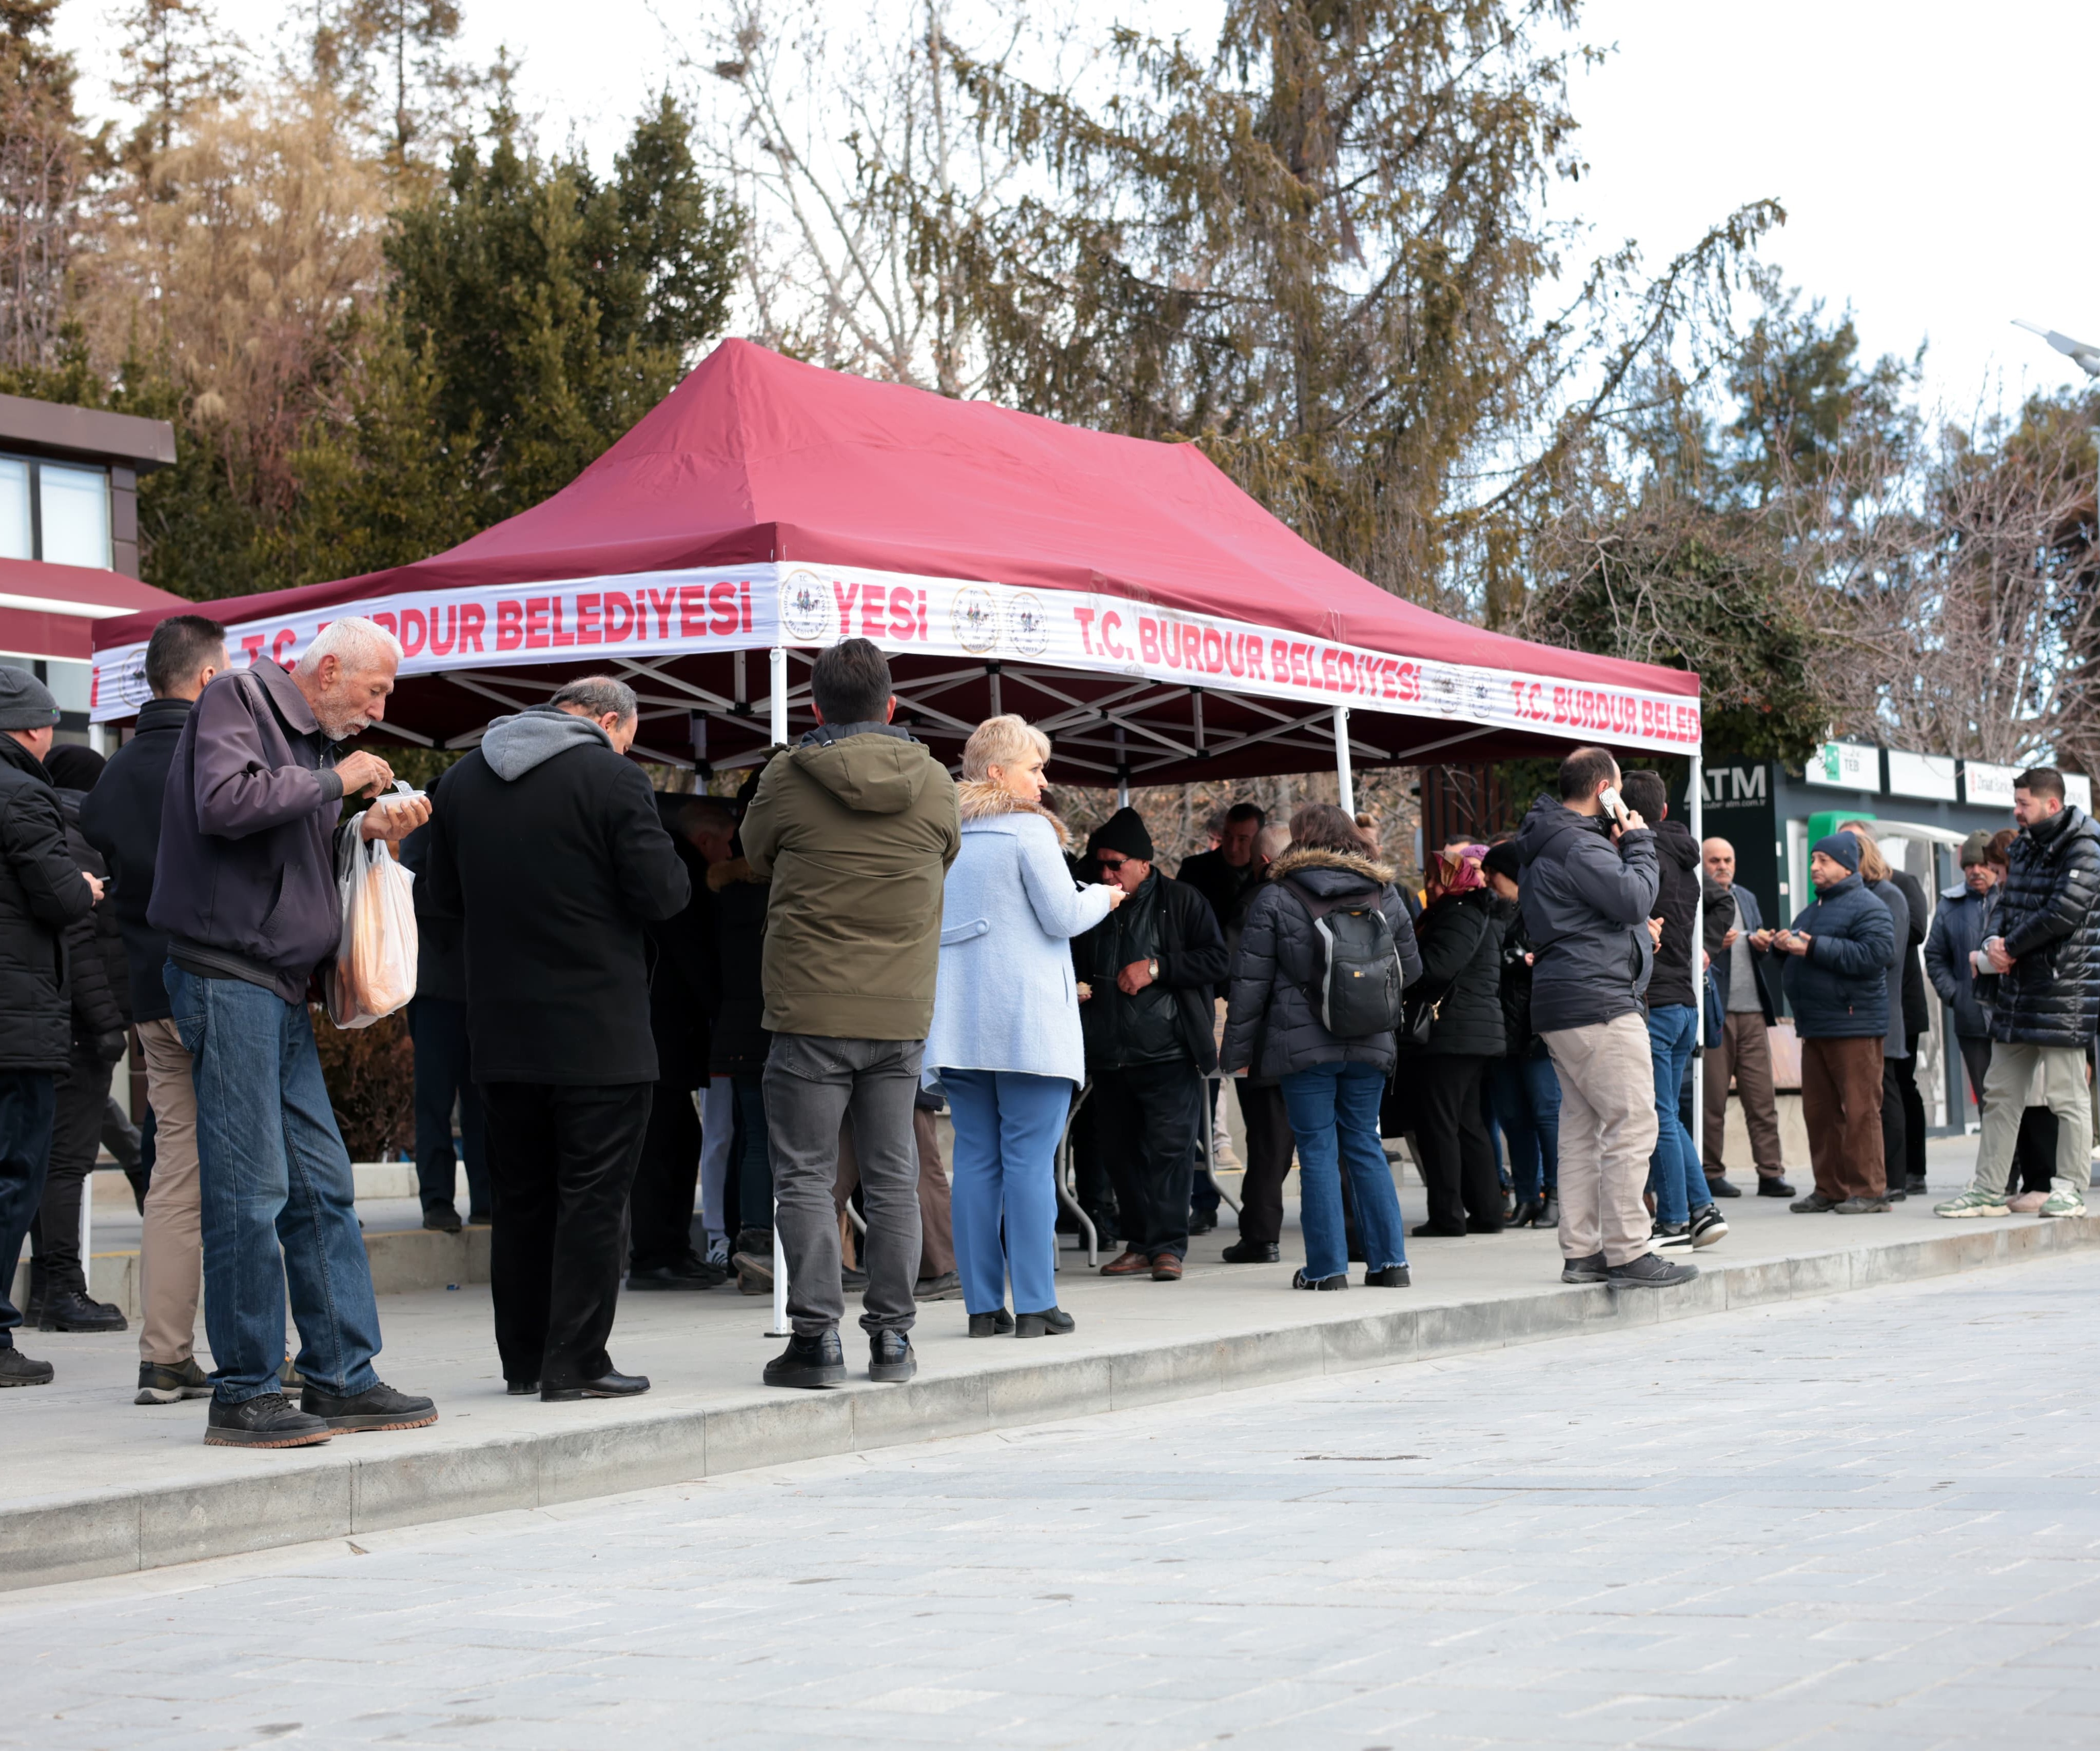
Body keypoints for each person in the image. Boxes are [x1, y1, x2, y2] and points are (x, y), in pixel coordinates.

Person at [152, 617, 436, 1446]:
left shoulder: (307, 738)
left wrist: (359, 828)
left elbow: (279, 839)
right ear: (329, 668)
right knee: (253, 1191)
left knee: (321, 1186)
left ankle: (341, 1375)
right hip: (227, 975)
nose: (379, 709)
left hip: (273, 986)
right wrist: (335, 784)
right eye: (375, 689)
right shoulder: (240, 696)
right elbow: (224, 802)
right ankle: (243, 1389)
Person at [426, 675, 689, 1399]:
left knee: (521, 1199)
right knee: (594, 1198)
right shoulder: (612, 777)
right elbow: (662, 893)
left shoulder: (462, 780)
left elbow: (440, 900)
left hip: (501, 1027)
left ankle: (523, 1358)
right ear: (610, 721)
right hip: (598, 1029)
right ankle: (576, 1359)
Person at [743, 638, 960, 1388]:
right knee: (893, 1176)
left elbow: (754, 851)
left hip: (808, 1004)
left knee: (804, 1178)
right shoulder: (935, 781)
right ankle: (893, 1343)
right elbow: (946, 855)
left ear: (814, 707)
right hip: (899, 1009)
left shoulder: (784, 776)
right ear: (892, 706)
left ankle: (816, 1342)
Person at [924, 715, 1120, 1336]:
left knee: (977, 1163)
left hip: (959, 1020)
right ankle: (1036, 1301)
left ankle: (984, 1307)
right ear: (996, 772)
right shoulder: (1028, 831)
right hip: (1027, 1023)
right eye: (1034, 766)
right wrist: (1104, 897)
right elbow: (1063, 914)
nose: (1043, 778)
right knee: (1030, 1164)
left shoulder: (942, 831)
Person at [79, 614, 226, 1405]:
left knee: (177, 1171)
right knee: (246, 1170)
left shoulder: (117, 770)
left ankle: (164, 1355)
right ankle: (255, 1351)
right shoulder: (217, 758)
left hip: (149, 992)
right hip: (221, 982)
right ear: (206, 680)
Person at [1511, 746, 1694, 1288]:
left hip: (1564, 999)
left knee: (1583, 1130)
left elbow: (1591, 916)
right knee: (1632, 1122)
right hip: (1599, 1004)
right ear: (1604, 790)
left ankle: (1583, 1249)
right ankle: (1627, 1251)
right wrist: (1638, 841)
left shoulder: (1550, 840)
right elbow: (1635, 898)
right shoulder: (1575, 843)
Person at [1221, 802, 1421, 1289]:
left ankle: (1327, 1269)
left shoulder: (1276, 896)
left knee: (1315, 1150)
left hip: (1303, 1043)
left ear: (1300, 840)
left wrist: (1235, 1055)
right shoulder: (1384, 892)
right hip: (1371, 1041)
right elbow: (1412, 970)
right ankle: (1390, 1264)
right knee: (1363, 1142)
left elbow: (1250, 984)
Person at [1072, 805, 1228, 1282]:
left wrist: (1156, 968)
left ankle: (1167, 1246)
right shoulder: (1091, 902)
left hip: (1168, 1050)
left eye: (1115, 863)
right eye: (1100, 864)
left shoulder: (1181, 901)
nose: (1106, 873)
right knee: (1119, 1154)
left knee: (1170, 1150)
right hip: (1109, 1054)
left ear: (1143, 862)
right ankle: (1139, 1242)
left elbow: (1217, 960)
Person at [1936, 767, 2100, 1221]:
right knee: (2000, 1092)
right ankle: (1988, 1190)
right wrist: (1992, 943)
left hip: (2062, 993)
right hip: (2018, 992)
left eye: (2023, 802)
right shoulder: (2024, 846)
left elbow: (2064, 910)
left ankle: (2068, 1188)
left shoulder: (2086, 845)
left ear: (2051, 804)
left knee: (2067, 1096)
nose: (2015, 810)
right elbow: (2003, 904)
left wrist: (2009, 946)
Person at [0, 668, 97, 1387]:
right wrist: (87, 886)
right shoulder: (24, 792)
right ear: (31, 730)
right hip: (17, 1020)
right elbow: (59, 896)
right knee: (14, 1175)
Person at [26, 743, 131, 1333]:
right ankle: (63, 1288)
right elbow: (83, 946)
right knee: (67, 1163)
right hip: (79, 1028)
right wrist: (108, 1023)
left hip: (57, 1023)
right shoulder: (79, 843)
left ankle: (48, 1289)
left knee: (49, 1161)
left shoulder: (52, 834)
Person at [1620, 771, 1725, 1252]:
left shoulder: (1640, 856)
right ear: (1665, 810)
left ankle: (1675, 1221)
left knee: (1659, 1116)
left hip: (1656, 1003)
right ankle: (1701, 1210)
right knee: (1668, 1114)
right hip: (1685, 1001)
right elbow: (1721, 905)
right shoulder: (1687, 861)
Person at [621, 794, 722, 1290]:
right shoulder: (679, 866)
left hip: (655, 1020)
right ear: (705, 840)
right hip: (662, 1023)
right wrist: (719, 1005)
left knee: (675, 1139)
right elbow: (690, 947)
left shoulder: (661, 855)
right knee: (666, 1142)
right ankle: (657, 1251)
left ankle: (667, 1247)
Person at [1768, 832, 1895, 1214]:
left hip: (1854, 1024)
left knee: (1859, 1111)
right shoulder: (1810, 911)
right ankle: (1830, 1187)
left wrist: (1811, 947)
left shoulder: (1869, 906)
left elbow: (1877, 955)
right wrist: (1780, 949)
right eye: (1812, 860)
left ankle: (1870, 1190)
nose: (1814, 868)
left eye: (1822, 860)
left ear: (1846, 864)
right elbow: (1802, 958)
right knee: (1819, 1111)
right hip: (1815, 1026)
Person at [1929, 832, 2058, 1206]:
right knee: (1995, 1101)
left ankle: (2036, 1180)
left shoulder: (2020, 896)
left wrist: (1983, 959)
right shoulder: (1951, 905)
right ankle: (1999, 1180)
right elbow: (1934, 956)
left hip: (2019, 1013)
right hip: (1975, 1019)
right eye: (1969, 865)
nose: (1977, 872)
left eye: (1985, 866)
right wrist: (1957, 995)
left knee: (2035, 1099)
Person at [1398, 843, 1506, 1237]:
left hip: (1450, 1034)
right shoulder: (1481, 913)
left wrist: (1404, 965)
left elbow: (1437, 967)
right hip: (1471, 1032)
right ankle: (1486, 1212)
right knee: (1467, 1124)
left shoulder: (1457, 913)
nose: (1429, 886)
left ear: (1452, 880)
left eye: (1435, 878)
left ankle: (1447, 1215)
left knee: (1439, 1125)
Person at [398, 821, 490, 1234]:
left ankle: (488, 1198)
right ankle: (437, 1200)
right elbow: (412, 890)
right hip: (435, 986)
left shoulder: (493, 819)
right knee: (434, 1099)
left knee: (483, 1102)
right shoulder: (429, 825)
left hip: (484, 987)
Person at [1178, 801, 1266, 1226]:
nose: (1233, 846)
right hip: (1205, 1001)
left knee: (1260, 1110)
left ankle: (1259, 1206)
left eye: (1243, 839)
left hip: (1253, 1007)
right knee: (1201, 1105)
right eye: (1229, 836)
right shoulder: (1195, 871)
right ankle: (1202, 1201)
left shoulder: (1269, 878)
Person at [1222, 821, 1299, 1264]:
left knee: (1269, 1144)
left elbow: (1237, 976)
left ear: (1264, 863)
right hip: (1323, 1041)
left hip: (1271, 1040)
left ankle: (1261, 1236)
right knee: (1325, 1143)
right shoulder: (1325, 896)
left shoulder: (1255, 901)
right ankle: (1352, 1233)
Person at [1839, 819, 1926, 1204]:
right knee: (1873, 1094)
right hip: (1857, 1010)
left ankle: (1898, 1176)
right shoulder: (1848, 893)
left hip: (1889, 1003)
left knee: (1892, 1090)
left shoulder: (1892, 890)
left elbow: (1891, 949)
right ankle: (1879, 1176)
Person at [1699, 836, 1791, 1199]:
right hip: (1714, 1012)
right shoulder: (1695, 896)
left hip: (1753, 1010)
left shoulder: (1746, 897)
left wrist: (1761, 944)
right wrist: (1711, 944)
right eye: (1714, 861)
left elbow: (1757, 947)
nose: (1722, 866)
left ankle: (1771, 1172)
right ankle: (1710, 1172)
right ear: (1702, 864)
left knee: (1761, 1099)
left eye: (1728, 860)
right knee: (1712, 1100)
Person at [1482, 839, 1560, 1230]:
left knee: (1547, 1114)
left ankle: (1557, 1195)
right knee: (1513, 1118)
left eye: (1491, 873)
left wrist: (1512, 961)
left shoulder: (1540, 909)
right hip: (1503, 1031)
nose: (1486, 881)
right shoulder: (1492, 911)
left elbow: (1548, 958)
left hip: (1536, 1031)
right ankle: (1528, 1197)